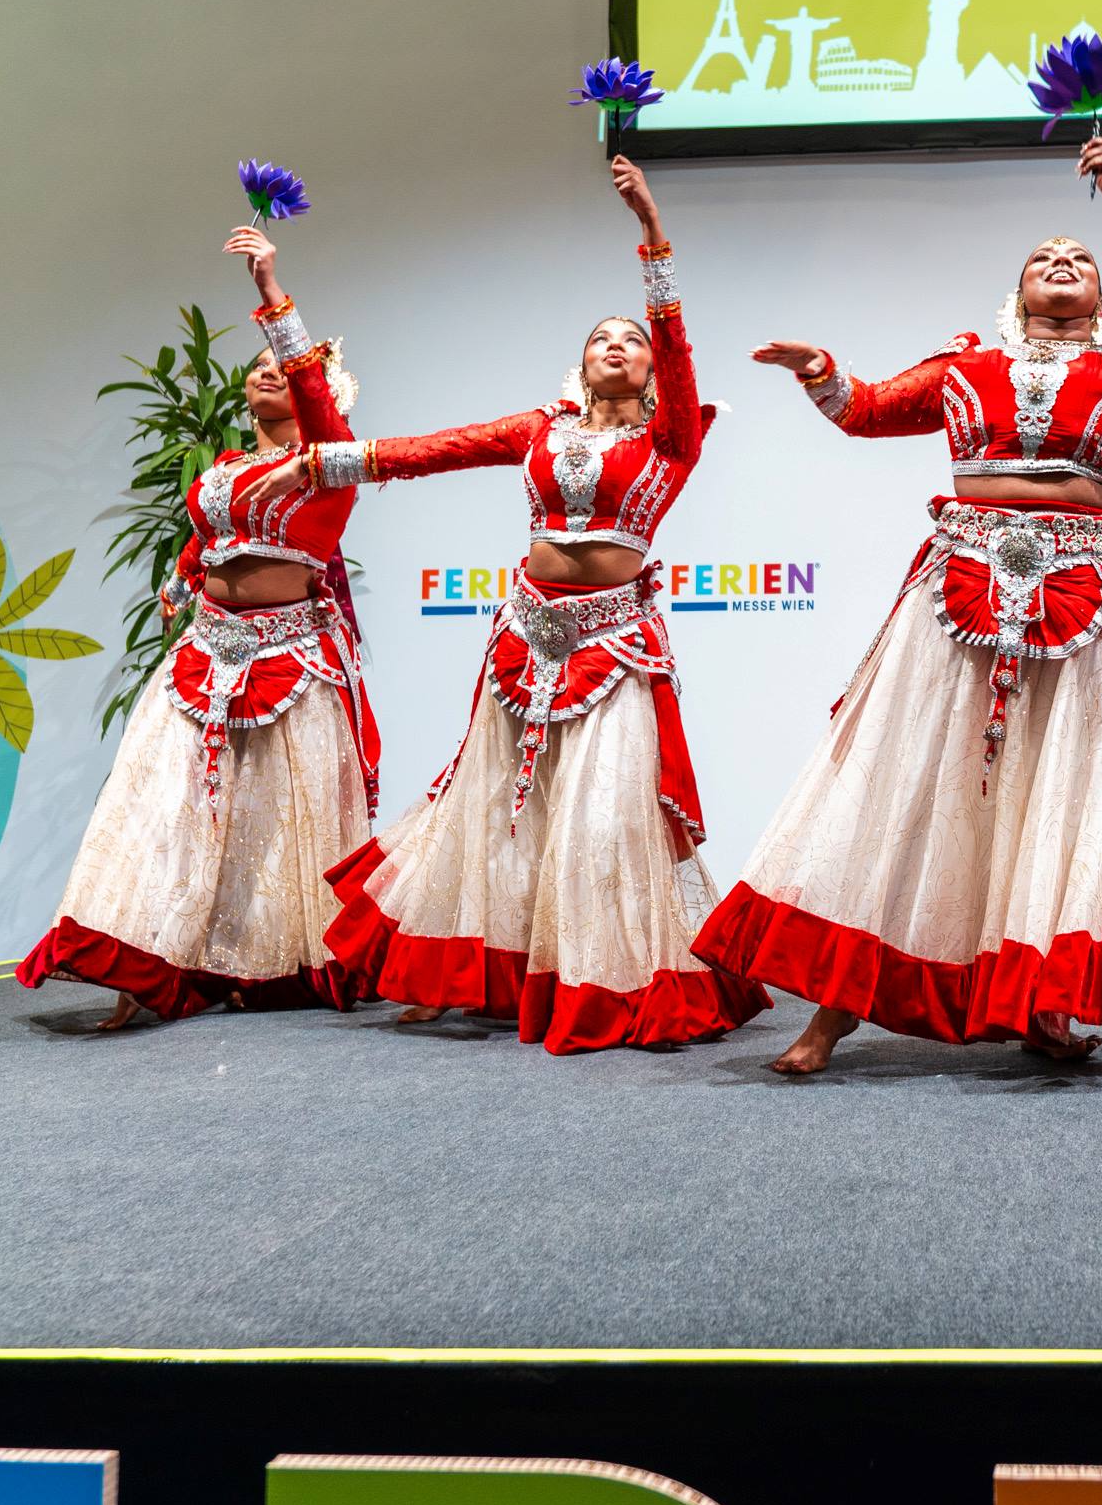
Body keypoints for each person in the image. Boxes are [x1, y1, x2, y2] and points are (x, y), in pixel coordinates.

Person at [696, 132, 1102, 1074]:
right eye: (1042, 257)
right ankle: (834, 1007)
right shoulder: (965, 367)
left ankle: (1042, 1002)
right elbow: (865, 410)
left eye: (1079, 257)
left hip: (1083, 598)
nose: (1059, 260)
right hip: (956, 590)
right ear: (1015, 292)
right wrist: (818, 367)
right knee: (911, 787)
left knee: (1054, 793)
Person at [313, 157, 765, 1053]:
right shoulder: (539, 430)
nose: (616, 345)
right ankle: (462, 971)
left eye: (631, 339)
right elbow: (433, 449)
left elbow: (678, 353)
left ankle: (613, 984)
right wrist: (323, 463)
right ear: (580, 364)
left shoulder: (672, 437)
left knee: (605, 818)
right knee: (498, 813)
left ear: (652, 370)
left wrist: (652, 235)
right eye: (601, 338)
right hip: (526, 634)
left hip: (617, 643)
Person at [18, 203, 378, 1027]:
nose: (266, 373)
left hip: (293, 662)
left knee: (274, 824)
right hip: (203, 653)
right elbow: (208, 535)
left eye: (284, 367)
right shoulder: (222, 464)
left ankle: (263, 964)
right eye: (257, 366)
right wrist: (182, 582)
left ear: (318, 389)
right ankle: (143, 964)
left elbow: (314, 400)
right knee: (162, 805)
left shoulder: (329, 460)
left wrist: (271, 290)